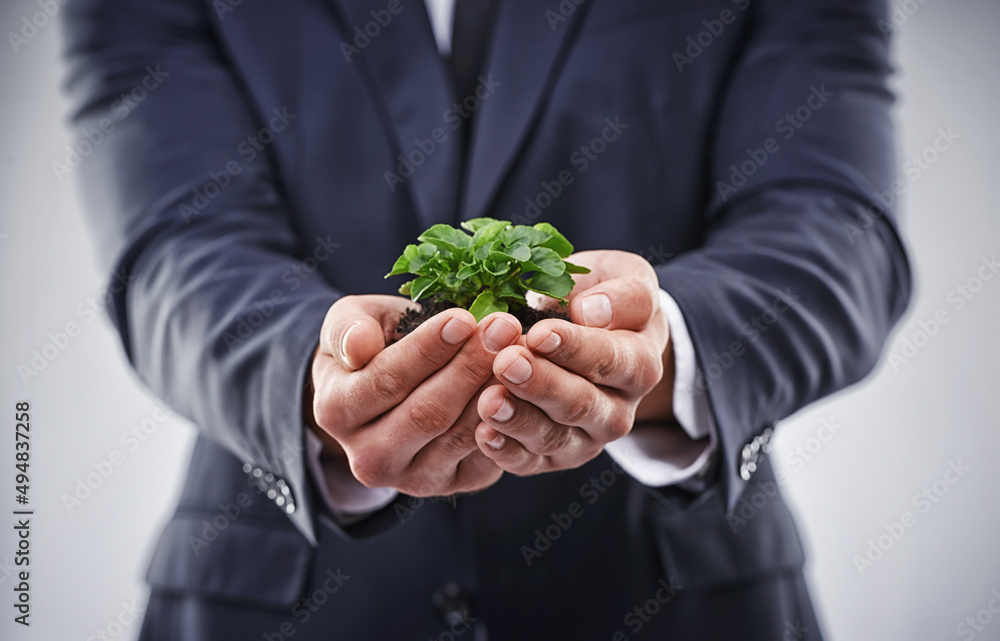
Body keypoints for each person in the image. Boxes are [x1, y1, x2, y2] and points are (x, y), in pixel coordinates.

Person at [63, 0, 911, 638]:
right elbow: (173, 246)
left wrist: (657, 350)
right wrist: (312, 371)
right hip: (278, 602)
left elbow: (840, 226)